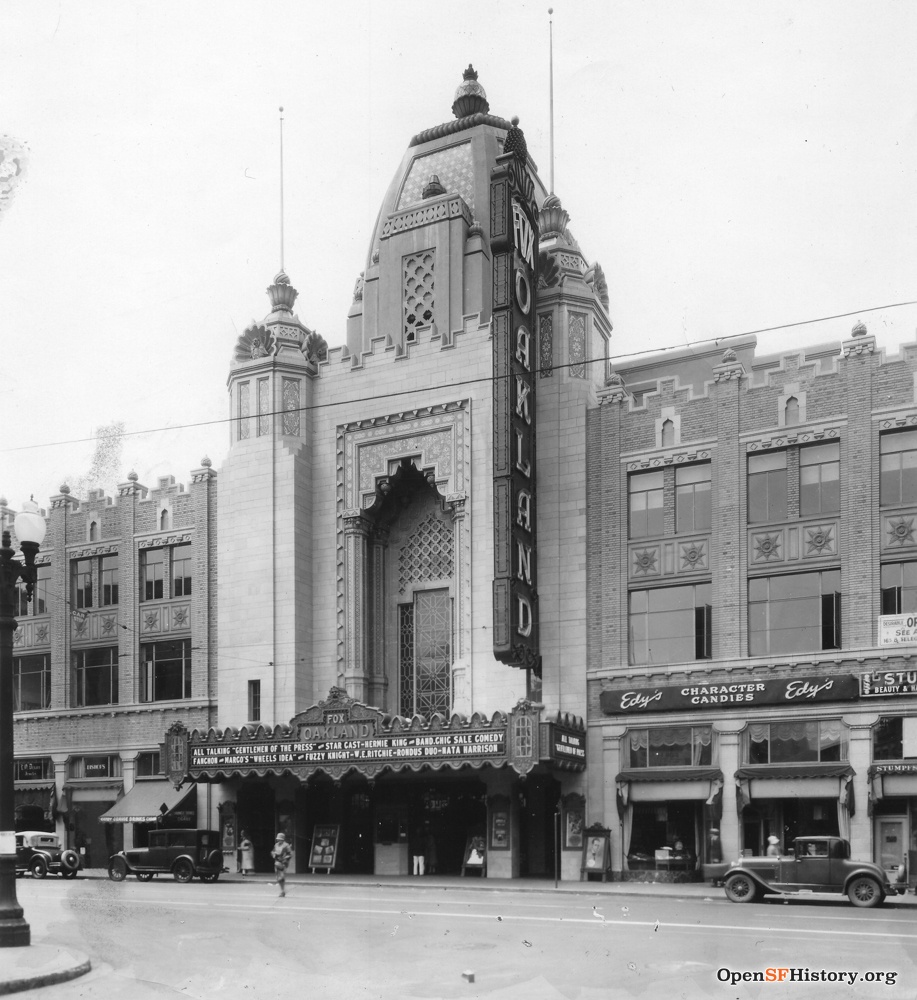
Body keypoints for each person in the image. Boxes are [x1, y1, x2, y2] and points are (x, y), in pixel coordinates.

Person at [271, 832, 292, 897]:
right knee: (278, 878)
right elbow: (273, 851)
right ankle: (282, 891)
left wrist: (285, 859)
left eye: (280, 839)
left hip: (283, 862)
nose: (278, 840)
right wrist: (274, 854)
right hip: (277, 862)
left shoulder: (286, 845)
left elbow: (290, 854)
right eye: (278, 839)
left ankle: (282, 891)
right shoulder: (276, 845)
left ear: (283, 839)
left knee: (281, 877)